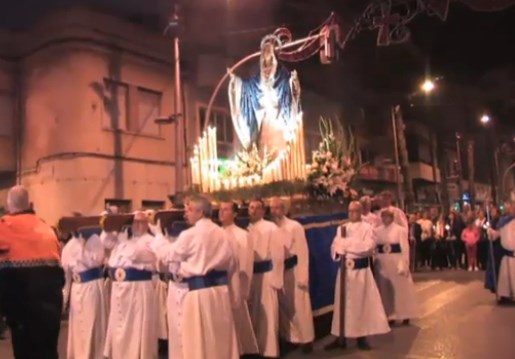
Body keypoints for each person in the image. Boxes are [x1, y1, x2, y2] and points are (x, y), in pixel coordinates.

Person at [150, 195, 239, 359]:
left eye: (189, 209)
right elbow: (232, 263)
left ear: (201, 211)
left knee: (197, 339)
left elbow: (168, 254)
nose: (186, 214)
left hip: (199, 293)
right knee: (218, 338)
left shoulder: (190, 234)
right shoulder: (223, 233)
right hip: (220, 293)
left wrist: (158, 236)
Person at [0, 185, 64, 359]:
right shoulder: (47, 229)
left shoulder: (5, 227)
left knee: (25, 353)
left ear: (8, 206)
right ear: (30, 204)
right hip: (51, 308)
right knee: (48, 352)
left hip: (23, 309)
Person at [324, 201, 390, 351]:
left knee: (360, 304)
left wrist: (346, 245)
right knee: (344, 304)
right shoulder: (342, 228)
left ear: (360, 212)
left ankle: (362, 337)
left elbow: (368, 247)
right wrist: (344, 247)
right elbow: (335, 248)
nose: (351, 214)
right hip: (345, 272)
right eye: (349, 211)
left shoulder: (368, 228)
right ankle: (341, 336)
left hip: (360, 272)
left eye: (354, 211)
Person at [101, 211, 158, 359]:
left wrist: (122, 239)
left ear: (147, 224)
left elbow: (137, 254)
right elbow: (105, 242)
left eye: (142, 222)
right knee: (119, 328)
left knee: (136, 329)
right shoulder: (123, 241)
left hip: (138, 288)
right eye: (134, 222)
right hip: (119, 288)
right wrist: (115, 226)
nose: (138, 225)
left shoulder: (150, 240)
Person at [270, 197, 315, 354]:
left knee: (300, 305)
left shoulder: (295, 226)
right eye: (272, 208)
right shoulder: (271, 228)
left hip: (295, 270)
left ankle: (306, 339)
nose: (274, 211)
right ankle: (290, 338)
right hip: (280, 272)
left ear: (283, 209)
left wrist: (303, 276)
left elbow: (303, 251)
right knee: (285, 307)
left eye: (277, 207)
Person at [219, 202, 259, 356]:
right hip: (220, 284)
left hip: (235, 281)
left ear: (235, 214)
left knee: (238, 317)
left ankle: (242, 350)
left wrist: (245, 289)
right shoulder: (216, 233)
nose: (222, 213)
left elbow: (246, 264)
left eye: (226, 210)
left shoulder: (242, 235)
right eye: (221, 210)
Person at [62, 227, 108, 359]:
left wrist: (83, 248)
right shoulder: (69, 246)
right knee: (78, 328)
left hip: (92, 286)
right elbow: (67, 275)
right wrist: (64, 298)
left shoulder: (95, 240)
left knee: (91, 324)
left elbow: (95, 262)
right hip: (77, 289)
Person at [247, 199, 285, 358]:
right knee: (255, 314)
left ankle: (269, 351)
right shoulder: (248, 229)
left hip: (267, 276)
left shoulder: (271, 228)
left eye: (257, 208)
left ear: (263, 211)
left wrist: (276, 279)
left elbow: (278, 254)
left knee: (268, 315)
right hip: (252, 276)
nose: (253, 211)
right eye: (251, 207)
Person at [374, 210, 419, 325]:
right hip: (383, 261)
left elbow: (405, 247)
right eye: (383, 217)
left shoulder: (400, 230)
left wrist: (404, 263)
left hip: (396, 260)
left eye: (388, 217)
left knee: (400, 289)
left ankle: (405, 314)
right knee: (386, 290)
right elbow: (374, 247)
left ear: (392, 218)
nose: (385, 219)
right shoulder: (377, 231)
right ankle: (390, 315)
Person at [487, 194, 515, 304]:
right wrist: (491, 232)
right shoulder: (504, 221)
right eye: (507, 204)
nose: (508, 206)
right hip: (506, 255)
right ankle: (505, 295)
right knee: (505, 277)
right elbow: (497, 235)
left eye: (510, 204)